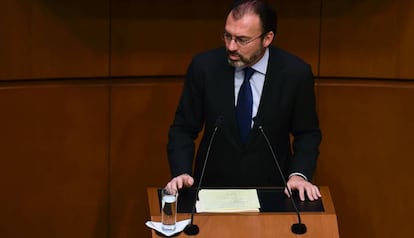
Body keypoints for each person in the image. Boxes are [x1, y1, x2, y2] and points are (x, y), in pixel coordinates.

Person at [165, 0, 322, 201]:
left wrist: (299, 175)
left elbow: (307, 133)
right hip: (213, 193)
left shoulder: (295, 73)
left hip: (273, 192)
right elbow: (183, 128)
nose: (231, 46)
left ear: (267, 38)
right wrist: (182, 171)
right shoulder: (204, 68)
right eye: (227, 36)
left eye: (242, 40)